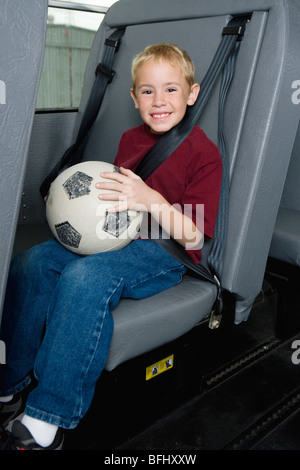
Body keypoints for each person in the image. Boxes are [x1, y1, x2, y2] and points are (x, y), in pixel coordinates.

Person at [0, 43, 222, 450]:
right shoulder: (129, 140)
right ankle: (9, 382)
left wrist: (149, 199)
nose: (159, 101)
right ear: (134, 97)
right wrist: (70, 204)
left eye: (171, 90)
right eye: (148, 91)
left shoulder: (203, 153)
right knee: (32, 262)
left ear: (192, 94)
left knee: (86, 276)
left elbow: (193, 238)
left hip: (163, 251)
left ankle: (50, 415)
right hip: (115, 236)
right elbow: (109, 202)